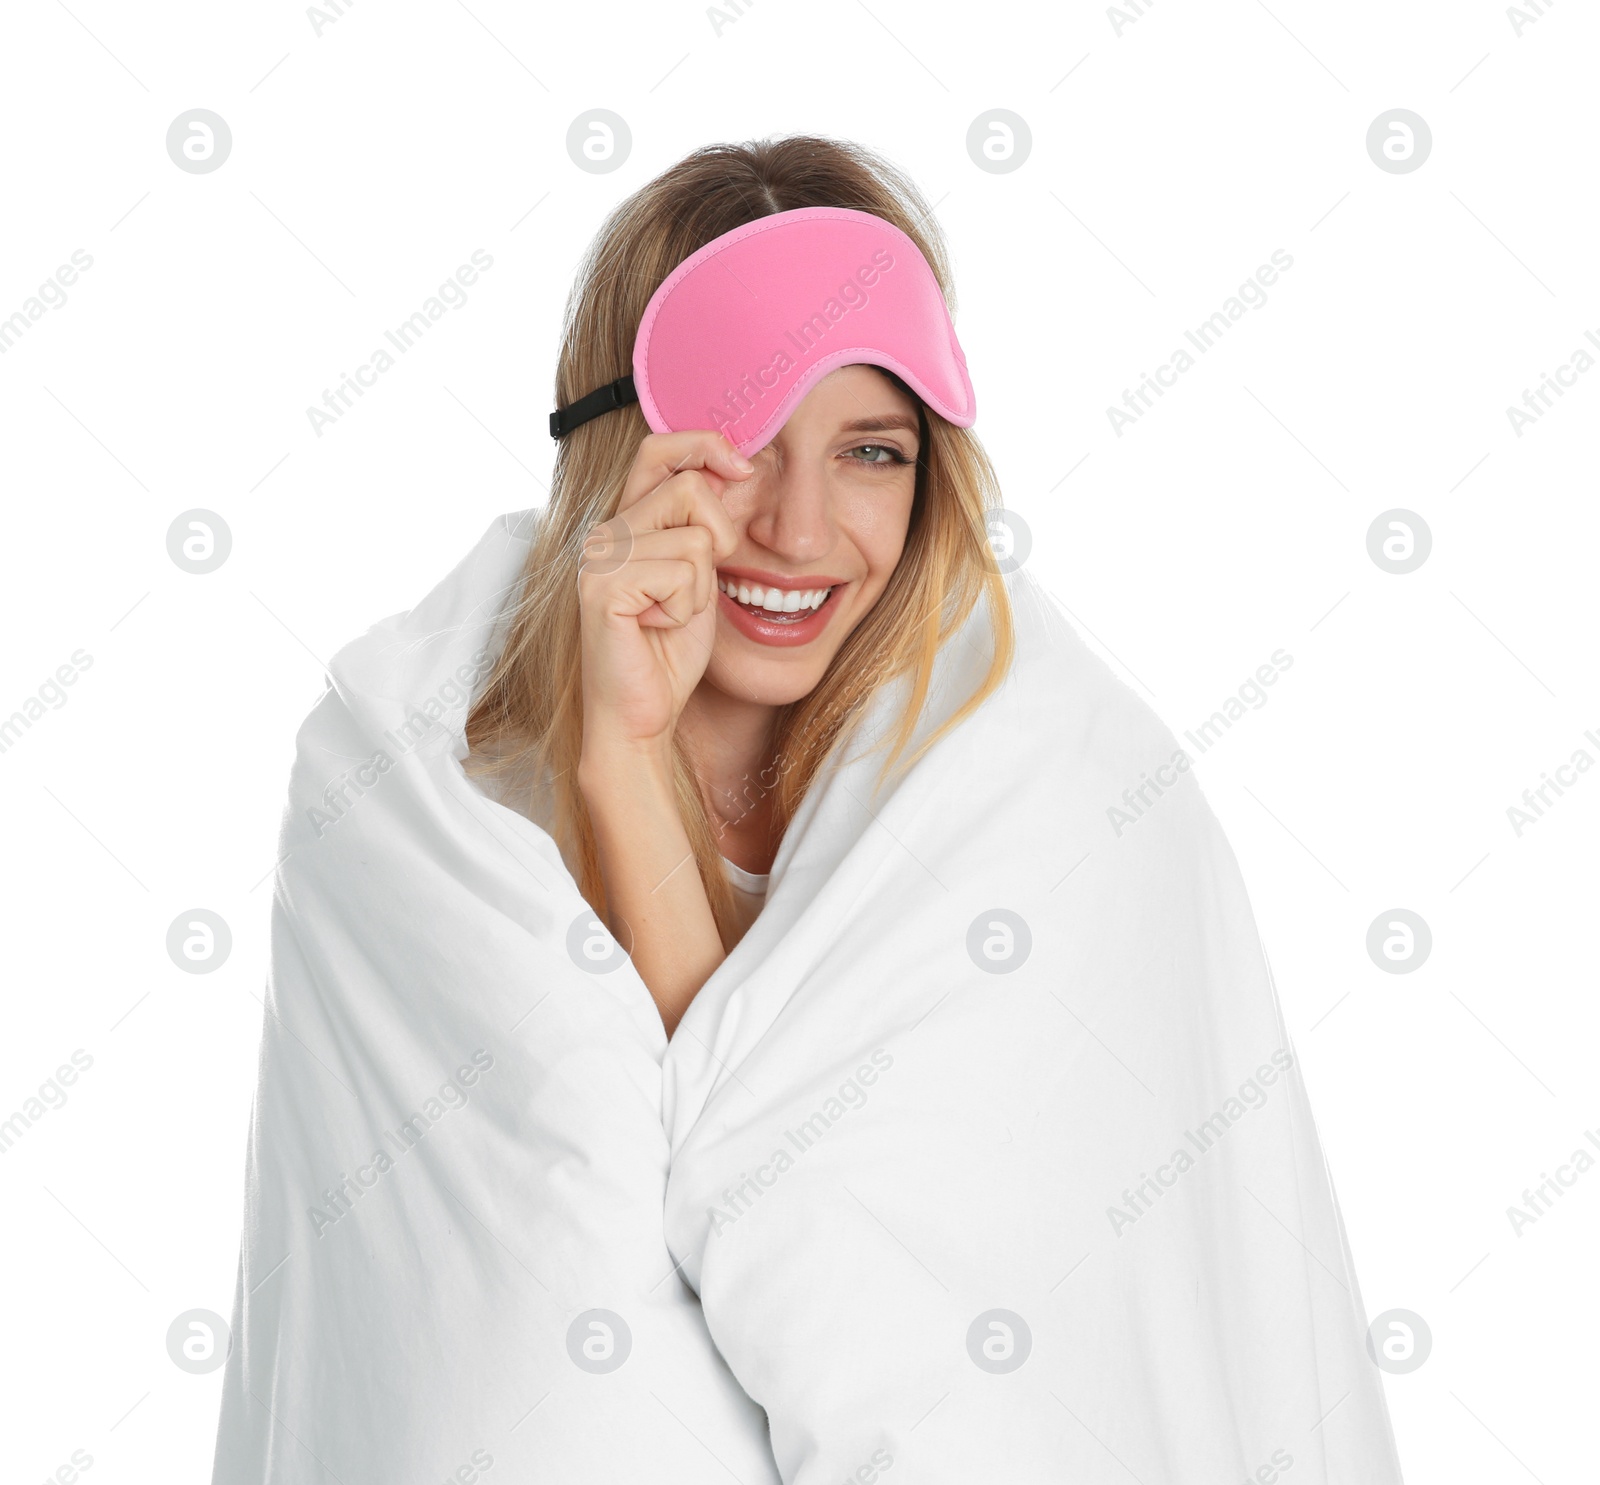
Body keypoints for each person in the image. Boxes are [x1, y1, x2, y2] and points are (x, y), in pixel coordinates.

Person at [464, 135, 1014, 1037]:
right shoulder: (451, 822)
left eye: (872, 452)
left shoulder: (993, 787)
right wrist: (624, 755)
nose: (797, 533)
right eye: (740, 445)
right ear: (620, 455)